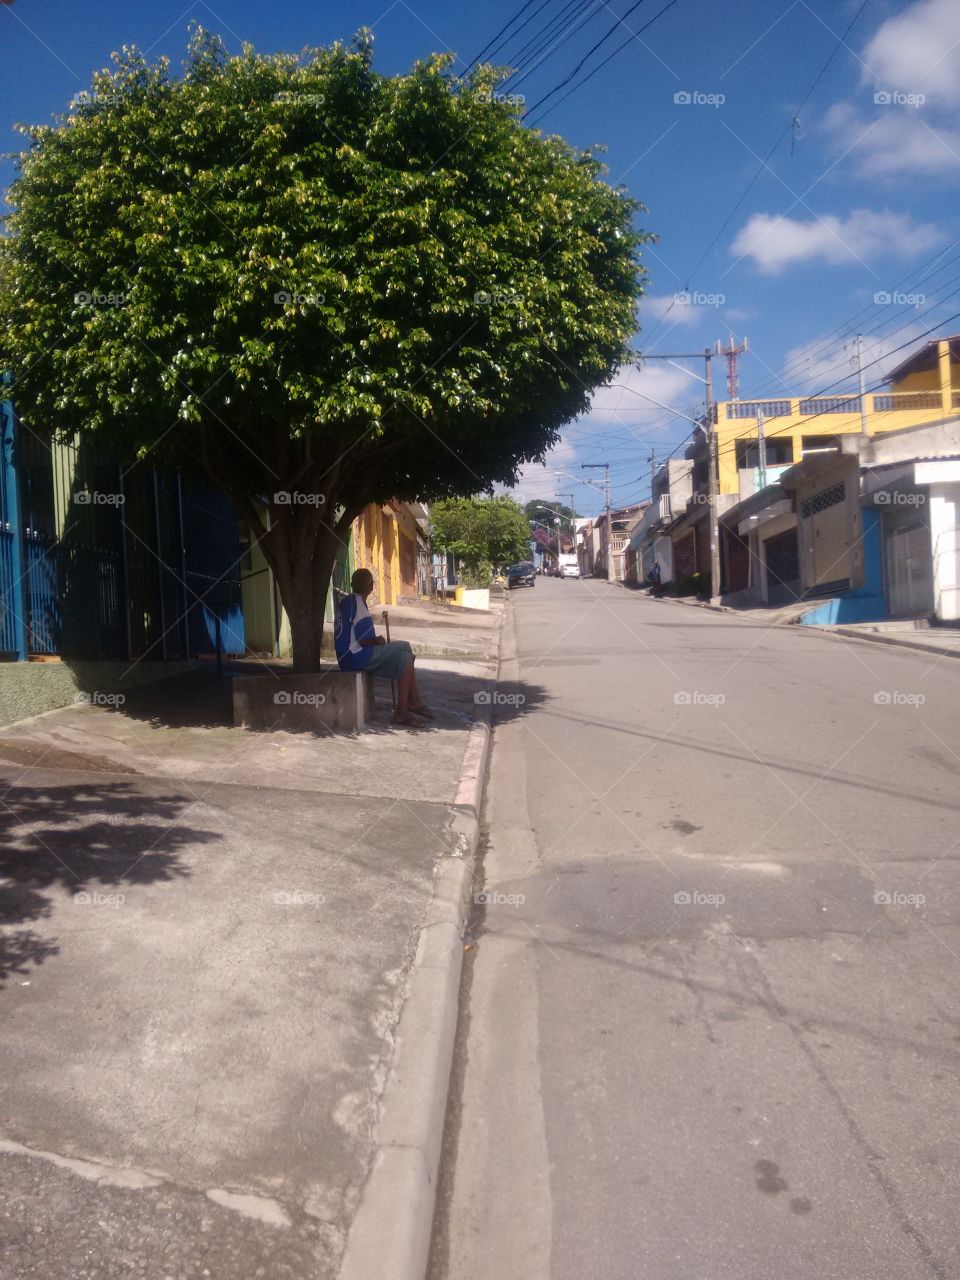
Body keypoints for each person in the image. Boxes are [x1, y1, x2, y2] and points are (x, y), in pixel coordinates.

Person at [334, 568, 432, 726]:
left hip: (348, 657)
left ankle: (409, 706)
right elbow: (364, 640)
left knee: (406, 658)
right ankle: (408, 707)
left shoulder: (348, 601)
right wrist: (378, 640)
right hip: (357, 656)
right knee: (405, 648)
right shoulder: (358, 602)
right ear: (371, 587)